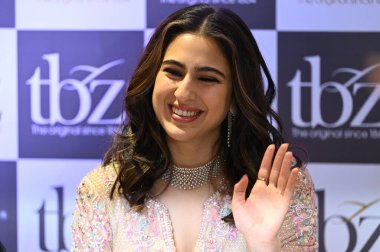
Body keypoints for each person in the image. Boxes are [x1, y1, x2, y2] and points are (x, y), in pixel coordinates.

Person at [71, 4, 318, 251]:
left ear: (235, 97)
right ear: (152, 80)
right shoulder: (104, 190)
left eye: (207, 79)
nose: (184, 92)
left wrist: (263, 243)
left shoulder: (281, 188)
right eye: (173, 72)